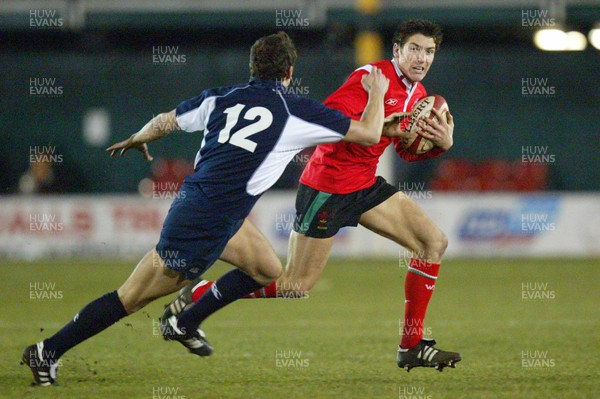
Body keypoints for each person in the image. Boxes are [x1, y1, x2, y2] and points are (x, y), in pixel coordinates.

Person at [22, 31, 393, 386]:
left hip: (210, 210)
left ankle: (185, 321)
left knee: (266, 268)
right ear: (289, 73)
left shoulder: (220, 97)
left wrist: (138, 137)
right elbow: (370, 133)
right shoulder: (296, 111)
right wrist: (376, 93)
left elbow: (165, 121)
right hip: (202, 222)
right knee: (131, 298)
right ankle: (47, 350)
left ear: (252, 67)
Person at [162, 19, 461, 372]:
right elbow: (329, 125)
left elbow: (408, 151)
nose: (422, 58)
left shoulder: (419, 95)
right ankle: (198, 298)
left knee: (432, 243)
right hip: (328, 186)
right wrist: (380, 119)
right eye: (414, 49)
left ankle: (412, 345)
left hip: (364, 184)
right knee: (295, 284)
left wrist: (440, 145)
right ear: (397, 51)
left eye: (429, 51)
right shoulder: (371, 78)